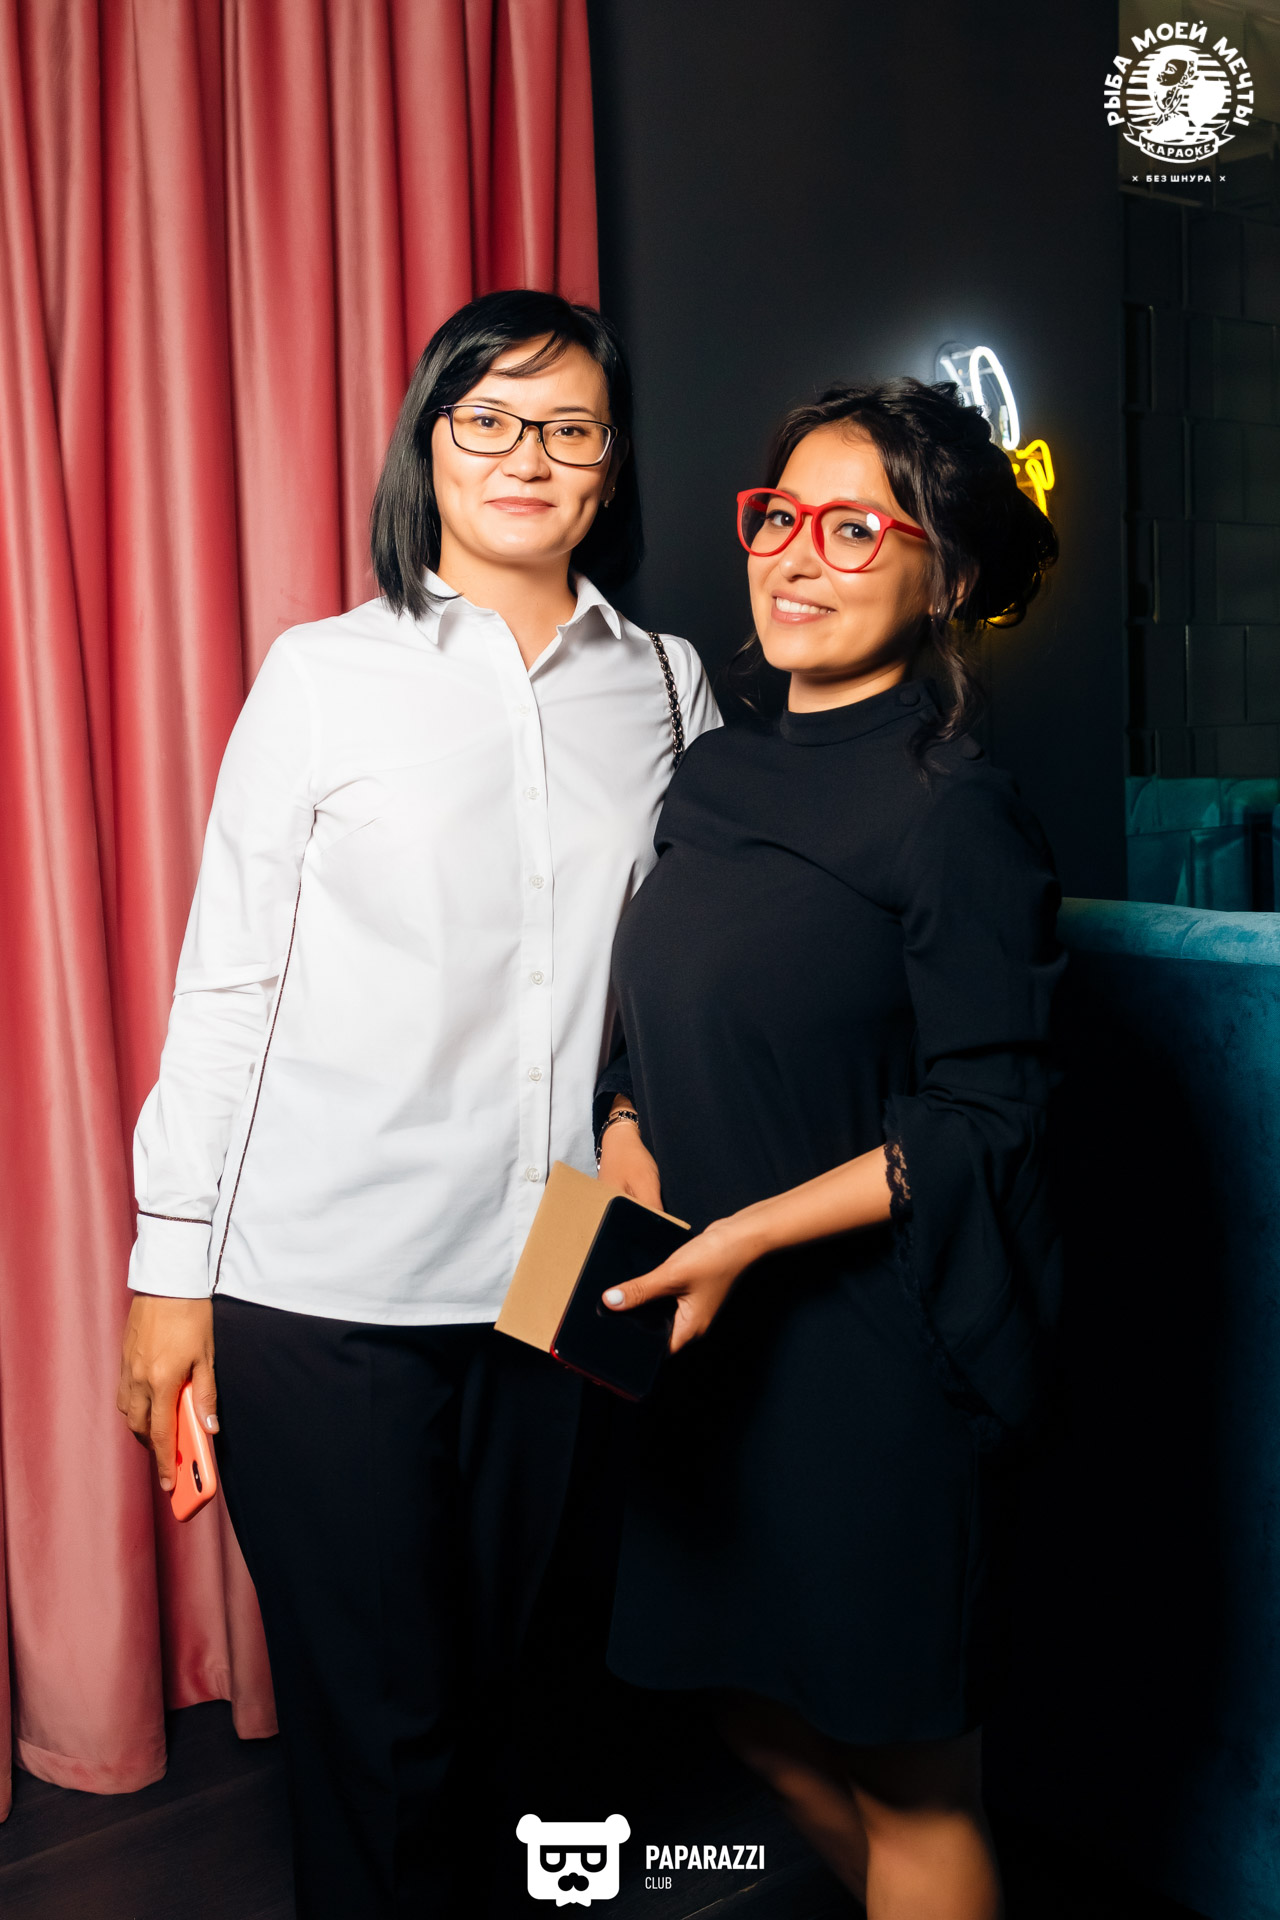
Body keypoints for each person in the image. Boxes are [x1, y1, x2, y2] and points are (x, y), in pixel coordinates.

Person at [116, 287, 718, 1919]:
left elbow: (694, 978)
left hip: (572, 1270)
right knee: (384, 1745)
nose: (528, 456)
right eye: (489, 419)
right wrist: (170, 1274)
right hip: (327, 1281)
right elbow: (228, 982)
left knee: (542, 1714)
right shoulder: (323, 675)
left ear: (612, 462)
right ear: (429, 446)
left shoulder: (670, 687)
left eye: (569, 427)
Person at [596, 377, 1062, 1920]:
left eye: (856, 528)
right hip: (705, 1351)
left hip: (874, 1360)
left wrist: (742, 1236)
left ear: (952, 575)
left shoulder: (956, 810)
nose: (797, 555)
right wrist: (624, 1138)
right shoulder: (713, 771)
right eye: (780, 517)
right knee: (740, 1704)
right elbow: (654, 1020)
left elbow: (990, 1116)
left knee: (913, 1782)